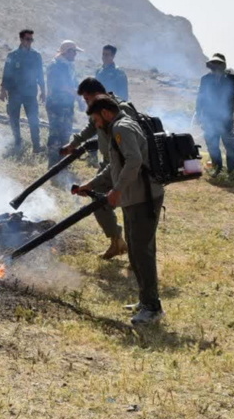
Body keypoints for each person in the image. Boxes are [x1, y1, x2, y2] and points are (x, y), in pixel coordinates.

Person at [74, 97, 165, 325]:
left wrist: (116, 190)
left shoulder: (122, 127)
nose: (95, 125)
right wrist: (92, 185)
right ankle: (146, 300)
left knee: (142, 252)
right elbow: (114, 166)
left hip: (143, 197)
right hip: (134, 197)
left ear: (105, 113)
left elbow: (134, 161)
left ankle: (152, 308)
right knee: (135, 250)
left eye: (95, 120)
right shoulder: (117, 128)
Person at [61, 78, 136, 259]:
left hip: (124, 164)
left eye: (87, 99)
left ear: (97, 94)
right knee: (99, 201)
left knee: (129, 206)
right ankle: (117, 241)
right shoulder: (98, 111)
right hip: (108, 164)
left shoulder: (120, 110)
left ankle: (135, 252)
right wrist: (75, 142)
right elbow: (91, 127)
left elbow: (132, 147)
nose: (86, 103)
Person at [195, 53, 234, 178]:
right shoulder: (205, 79)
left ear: (223, 65)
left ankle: (231, 172)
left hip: (226, 120)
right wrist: (198, 114)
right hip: (209, 120)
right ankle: (217, 169)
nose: (216, 67)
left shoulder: (231, 79)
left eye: (219, 64)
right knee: (212, 147)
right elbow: (200, 98)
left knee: (231, 149)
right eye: (214, 64)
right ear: (210, 65)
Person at [0, 29, 46, 153]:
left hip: (30, 93)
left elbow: (40, 74)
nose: (30, 42)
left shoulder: (36, 56)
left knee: (34, 120)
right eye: (27, 39)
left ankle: (36, 145)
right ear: (21, 39)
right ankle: (17, 142)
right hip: (14, 93)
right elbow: (6, 73)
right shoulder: (12, 55)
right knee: (14, 119)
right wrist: (3, 90)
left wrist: (43, 90)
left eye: (31, 39)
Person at [45, 40, 82, 167]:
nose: (75, 55)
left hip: (66, 105)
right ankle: (53, 164)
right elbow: (63, 86)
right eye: (74, 52)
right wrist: (78, 97)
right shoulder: (56, 65)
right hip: (56, 105)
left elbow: (75, 84)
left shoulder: (68, 66)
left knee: (65, 133)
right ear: (67, 52)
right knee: (55, 134)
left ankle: (62, 164)